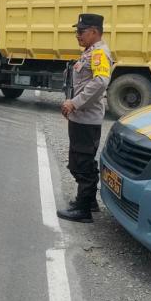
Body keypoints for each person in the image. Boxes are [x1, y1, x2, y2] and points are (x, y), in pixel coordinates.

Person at [57, 14, 113, 223]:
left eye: (81, 31)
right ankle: (89, 201)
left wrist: (75, 103)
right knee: (79, 161)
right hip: (81, 117)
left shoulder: (99, 53)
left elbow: (100, 82)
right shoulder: (90, 52)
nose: (77, 35)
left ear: (94, 32)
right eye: (76, 31)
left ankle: (83, 211)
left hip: (87, 119)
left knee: (82, 162)